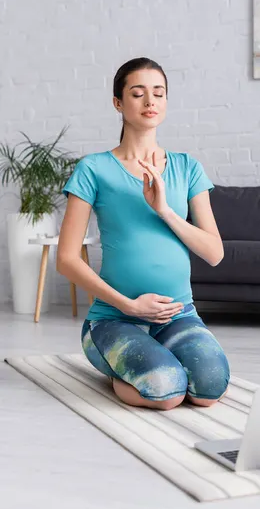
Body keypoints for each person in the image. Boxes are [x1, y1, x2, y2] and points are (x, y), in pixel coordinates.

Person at [57, 57, 230, 411]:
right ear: (118, 103)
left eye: (159, 93)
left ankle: (151, 358)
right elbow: (66, 258)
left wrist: (164, 210)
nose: (150, 101)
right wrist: (128, 305)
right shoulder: (94, 168)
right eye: (138, 93)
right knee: (167, 393)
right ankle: (124, 364)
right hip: (114, 318)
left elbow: (214, 252)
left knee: (209, 390)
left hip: (178, 314)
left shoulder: (187, 167)